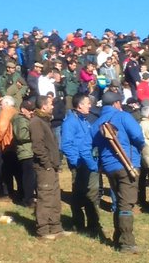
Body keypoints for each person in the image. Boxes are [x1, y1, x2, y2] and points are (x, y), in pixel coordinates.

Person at [93, 89, 145, 253]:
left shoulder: (97, 122)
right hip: (127, 164)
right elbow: (138, 137)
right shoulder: (123, 117)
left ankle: (118, 237)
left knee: (119, 200)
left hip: (109, 166)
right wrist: (140, 148)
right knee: (126, 204)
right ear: (116, 103)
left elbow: (94, 144)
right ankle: (127, 242)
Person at [61, 93, 101, 236]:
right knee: (79, 195)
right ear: (79, 106)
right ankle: (78, 224)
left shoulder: (85, 121)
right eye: (87, 103)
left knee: (92, 194)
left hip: (89, 162)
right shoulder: (70, 122)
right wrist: (76, 162)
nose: (90, 105)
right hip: (80, 164)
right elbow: (66, 145)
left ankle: (93, 224)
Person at [30, 94, 68, 240]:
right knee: (45, 197)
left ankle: (56, 227)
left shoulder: (46, 121)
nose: (53, 106)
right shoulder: (36, 122)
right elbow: (38, 146)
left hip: (52, 166)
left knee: (54, 197)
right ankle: (43, 230)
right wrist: (46, 164)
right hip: (45, 167)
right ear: (43, 106)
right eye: (50, 104)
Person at [12, 99, 36, 207]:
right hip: (26, 152)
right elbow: (21, 135)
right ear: (22, 110)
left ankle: (29, 197)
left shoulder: (26, 119)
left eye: (33, 110)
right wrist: (35, 135)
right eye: (29, 110)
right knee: (28, 177)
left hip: (29, 150)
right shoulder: (20, 120)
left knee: (31, 176)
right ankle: (28, 199)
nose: (31, 112)